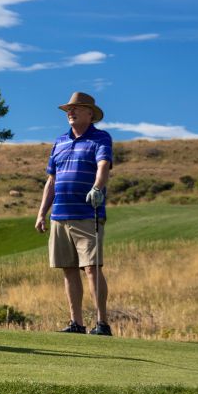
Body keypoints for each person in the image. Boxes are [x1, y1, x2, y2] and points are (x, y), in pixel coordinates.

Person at [35, 92, 114, 336]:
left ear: (90, 114)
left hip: (87, 213)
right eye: (69, 109)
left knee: (91, 267)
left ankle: (102, 323)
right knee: (68, 269)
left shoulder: (100, 138)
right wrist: (41, 214)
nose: (71, 112)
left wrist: (97, 188)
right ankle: (76, 323)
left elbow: (103, 167)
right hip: (60, 214)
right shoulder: (59, 142)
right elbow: (51, 181)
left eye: (76, 108)